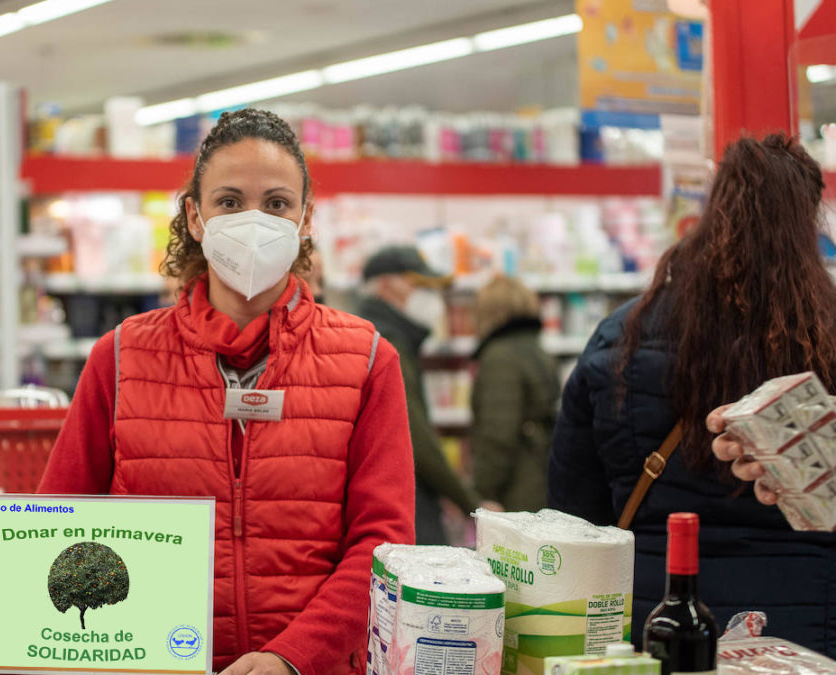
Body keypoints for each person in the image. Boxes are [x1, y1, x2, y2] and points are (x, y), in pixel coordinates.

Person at [0, 109, 415, 675]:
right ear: (194, 216)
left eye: (278, 204)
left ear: (305, 219)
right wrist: (7, 644)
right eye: (230, 202)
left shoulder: (365, 360)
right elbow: (56, 525)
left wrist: (292, 658)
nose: (254, 221)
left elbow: (383, 545)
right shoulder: (120, 358)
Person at [546, 133, 836, 655]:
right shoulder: (826, 338)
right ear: (810, 220)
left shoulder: (623, 337)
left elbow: (572, 514)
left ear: (712, 207)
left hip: (658, 618)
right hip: (810, 620)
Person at [356, 246, 497, 545]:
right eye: (418, 286)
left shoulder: (383, 334)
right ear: (384, 285)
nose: (430, 298)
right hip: (396, 503)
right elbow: (414, 435)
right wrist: (469, 501)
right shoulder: (386, 342)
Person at [468, 275, 558, 512]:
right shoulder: (537, 350)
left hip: (516, 487)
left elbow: (497, 432)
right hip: (543, 474)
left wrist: (483, 492)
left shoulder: (500, 357)